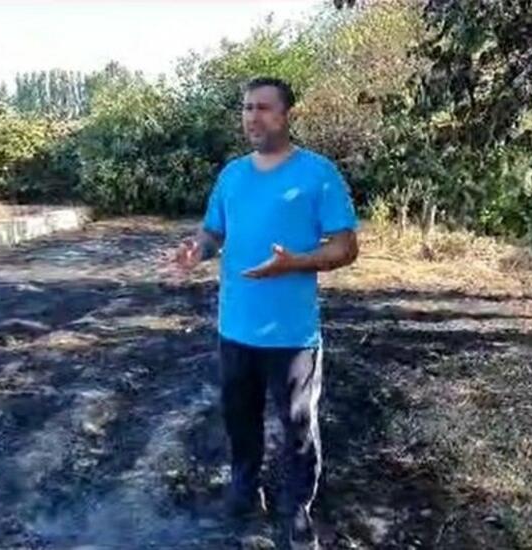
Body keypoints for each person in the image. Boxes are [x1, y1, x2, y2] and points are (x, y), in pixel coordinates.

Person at [174, 76, 359, 549]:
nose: (252, 116)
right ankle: (244, 491)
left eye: (263, 107)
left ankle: (297, 509)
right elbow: (214, 232)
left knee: (297, 426)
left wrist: (295, 263)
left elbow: (346, 247)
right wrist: (197, 250)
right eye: (246, 107)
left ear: (286, 114)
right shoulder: (232, 175)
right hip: (235, 327)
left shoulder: (318, 173)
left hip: (292, 335)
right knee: (239, 419)